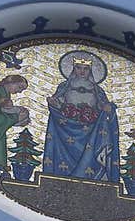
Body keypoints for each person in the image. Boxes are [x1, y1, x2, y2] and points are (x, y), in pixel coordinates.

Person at [42, 54, 120, 183]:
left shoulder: (97, 89)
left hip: (92, 130)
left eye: (86, 69)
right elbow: (59, 103)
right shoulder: (65, 86)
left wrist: (108, 108)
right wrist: (54, 103)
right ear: (73, 69)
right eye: (79, 68)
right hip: (66, 128)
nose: (82, 71)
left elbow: (102, 105)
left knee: (92, 153)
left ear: (90, 71)